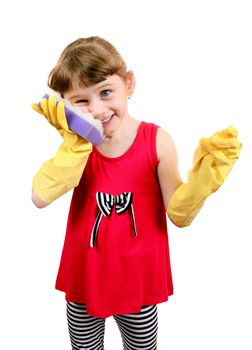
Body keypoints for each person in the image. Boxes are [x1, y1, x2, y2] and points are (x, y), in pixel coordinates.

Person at [31, 36, 242, 350]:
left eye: (105, 92)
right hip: (85, 279)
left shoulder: (157, 141)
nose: (98, 109)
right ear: (65, 104)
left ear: (128, 84)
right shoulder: (76, 149)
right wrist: (75, 144)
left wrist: (205, 178)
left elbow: (179, 215)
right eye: (81, 101)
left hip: (137, 282)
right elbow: (39, 197)